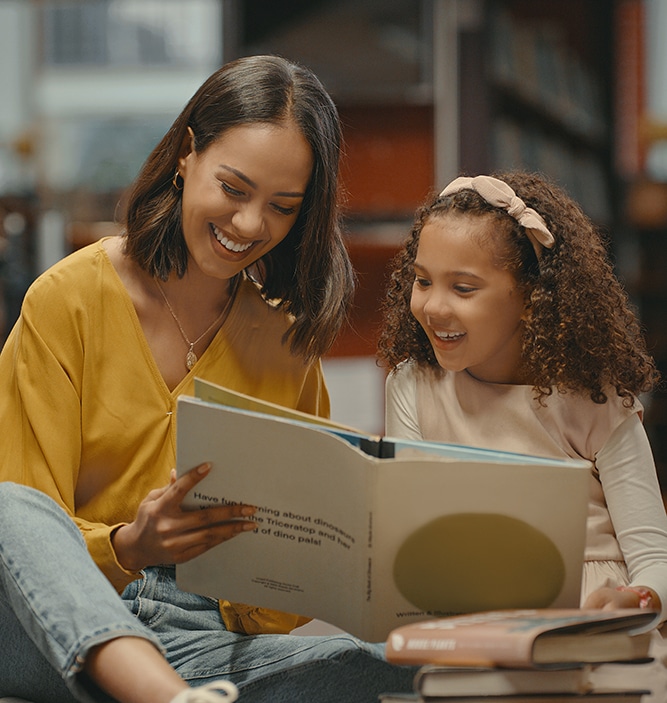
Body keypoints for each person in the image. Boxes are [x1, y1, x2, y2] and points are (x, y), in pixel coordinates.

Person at [0, 55, 416, 703]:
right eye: (233, 188)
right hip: (52, 620)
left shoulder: (285, 345)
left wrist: (316, 565)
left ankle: (162, 688)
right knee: (8, 508)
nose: (250, 225)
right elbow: (24, 544)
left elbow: (280, 604)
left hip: (202, 634)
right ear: (187, 153)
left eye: (282, 206)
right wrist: (129, 546)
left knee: (375, 660)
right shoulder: (68, 299)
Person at [377, 170, 667, 695]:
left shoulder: (592, 396)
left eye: (463, 287)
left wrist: (640, 600)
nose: (433, 306)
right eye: (422, 280)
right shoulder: (412, 386)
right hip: (473, 631)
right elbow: (409, 540)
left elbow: (654, 557)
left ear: (532, 297)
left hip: (595, 631)